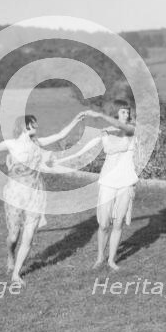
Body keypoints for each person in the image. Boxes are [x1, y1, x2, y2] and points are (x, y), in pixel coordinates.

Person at [0, 112, 84, 285]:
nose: (37, 126)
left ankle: (16, 274)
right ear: (25, 126)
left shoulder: (38, 143)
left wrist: (75, 120)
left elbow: (60, 135)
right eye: (34, 123)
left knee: (28, 236)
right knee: (14, 236)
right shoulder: (11, 144)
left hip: (36, 193)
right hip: (15, 193)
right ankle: (10, 254)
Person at [56, 100, 137, 270]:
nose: (127, 115)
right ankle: (100, 257)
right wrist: (61, 160)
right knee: (104, 224)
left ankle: (111, 260)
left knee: (118, 224)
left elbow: (125, 127)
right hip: (107, 182)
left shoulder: (131, 130)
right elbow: (83, 149)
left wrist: (99, 115)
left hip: (126, 181)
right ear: (115, 112)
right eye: (123, 112)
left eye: (128, 112)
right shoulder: (106, 132)